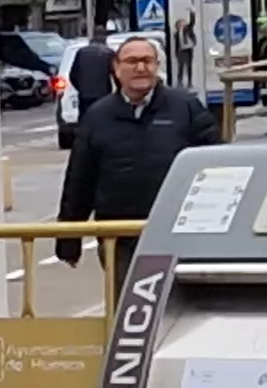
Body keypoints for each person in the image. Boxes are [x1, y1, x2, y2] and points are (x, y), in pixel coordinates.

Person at [55, 34, 220, 262]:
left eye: (147, 61)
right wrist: (68, 240)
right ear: (116, 67)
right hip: (120, 238)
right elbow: (80, 180)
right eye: (132, 61)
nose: (141, 68)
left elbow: (216, 166)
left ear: (157, 66)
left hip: (178, 235)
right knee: (126, 297)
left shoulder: (186, 108)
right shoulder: (97, 116)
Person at [64, 28, 117, 129]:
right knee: (103, 122)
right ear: (105, 39)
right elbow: (117, 75)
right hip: (103, 95)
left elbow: (73, 75)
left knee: (85, 121)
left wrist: (81, 88)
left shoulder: (81, 52)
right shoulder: (109, 53)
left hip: (84, 95)